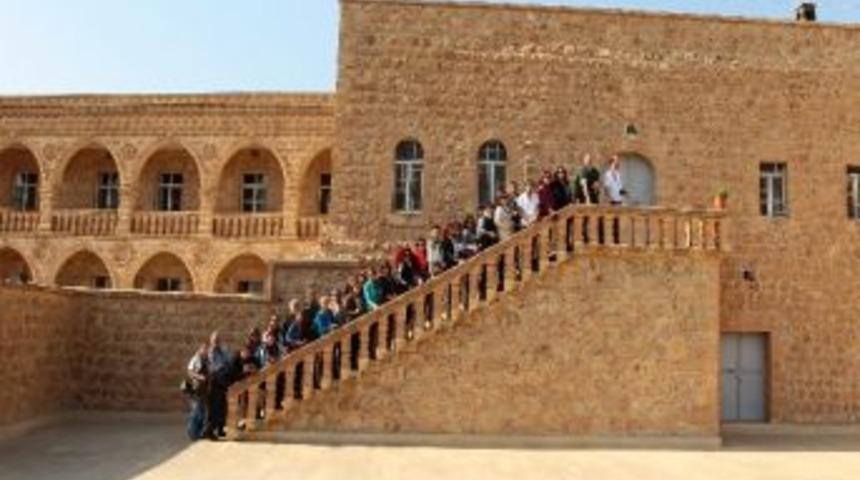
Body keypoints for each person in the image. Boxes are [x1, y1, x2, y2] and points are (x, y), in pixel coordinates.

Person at [206, 331, 232, 439]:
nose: (216, 341)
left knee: (223, 407)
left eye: (218, 339)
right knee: (214, 408)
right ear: (211, 341)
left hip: (222, 382)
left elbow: (228, 362)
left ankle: (221, 429)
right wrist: (220, 368)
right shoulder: (209, 352)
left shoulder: (223, 351)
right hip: (213, 382)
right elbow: (211, 367)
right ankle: (211, 432)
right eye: (214, 340)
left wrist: (223, 368)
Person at [185, 343, 209, 441]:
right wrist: (199, 377)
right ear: (200, 349)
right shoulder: (196, 359)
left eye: (207, 350)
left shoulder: (206, 360)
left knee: (202, 411)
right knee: (196, 411)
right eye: (204, 350)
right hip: (197, 389)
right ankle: (192, 434)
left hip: (205, 390)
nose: (206, 352)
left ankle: (199, 432)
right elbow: (190, 372)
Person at [602, 155, 626, 244]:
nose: (618, 162)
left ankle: (616, 239)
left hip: (618, 200)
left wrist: (625, 194)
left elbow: (620, 188)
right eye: (616, 161)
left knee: (617, 220)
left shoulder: (618, 174)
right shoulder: (607, 174)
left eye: (618, 161)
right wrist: (608, 199)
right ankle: (607, 239)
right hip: (611, 200)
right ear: (612, 162)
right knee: (610, 219)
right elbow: (606, 188)